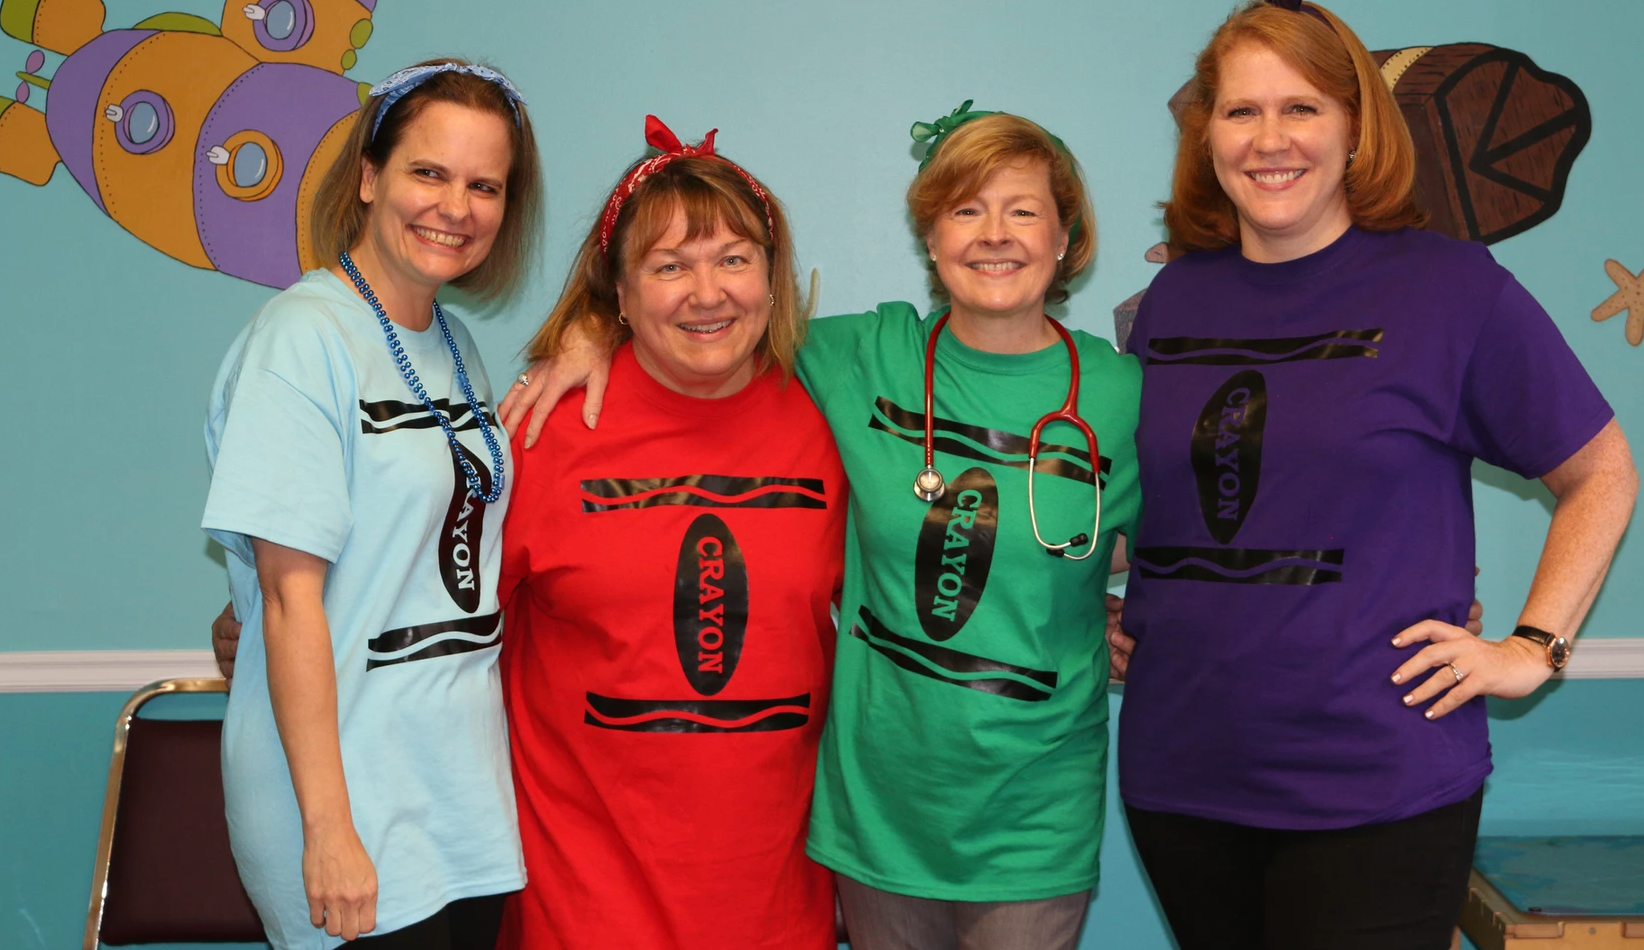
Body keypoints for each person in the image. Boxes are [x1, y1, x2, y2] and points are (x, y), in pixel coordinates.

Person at [504, 107, 1142, 950]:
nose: (709, 291)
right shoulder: (842, 366)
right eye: (964, 210)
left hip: (989, 825)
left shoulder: (1114, 391)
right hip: (823, 836)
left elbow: (1207, 524)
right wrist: (582, 333)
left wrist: (1140, 616)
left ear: (1068, 237)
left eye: (735, 260)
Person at [1117, 0, 1637, 950]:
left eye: (1302, 107)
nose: (1270, 139)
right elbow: (1175, 498)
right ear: (1208, 138)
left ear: (1355, 127)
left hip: (1376, 782)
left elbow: (1602, 471)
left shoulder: (1453, 289)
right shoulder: (1173, 299)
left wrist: (1532, 648)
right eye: (1241, 111)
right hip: (1181, 774)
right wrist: (1113, 606)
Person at [201, 59, 543, 950]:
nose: (455, 207)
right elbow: (288, 597)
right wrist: (328, 830)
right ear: (367, 177)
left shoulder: (457, 346)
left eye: (484, 185)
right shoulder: (302, 337)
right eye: (428, 172)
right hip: (344, 804)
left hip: (455, 796)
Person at [497, 117, 848, 949]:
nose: (707, 292)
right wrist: (262, 625)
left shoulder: (832, 414)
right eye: (668, 267)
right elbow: (441, 631)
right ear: (616, 293)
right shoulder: (544, 429)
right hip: (583, 896)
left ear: (773, 276)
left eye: (734, 258)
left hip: (775, 896)